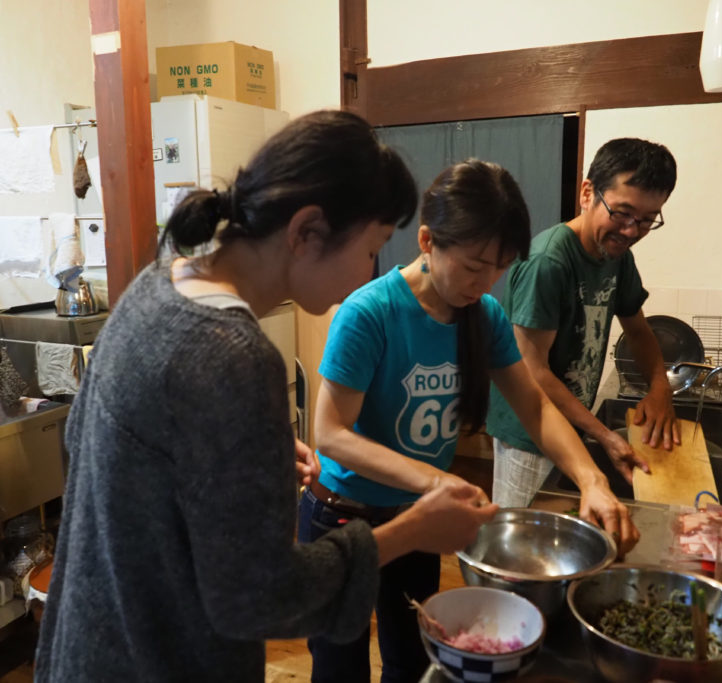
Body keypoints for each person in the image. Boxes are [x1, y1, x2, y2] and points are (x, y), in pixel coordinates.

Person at [34, 111, 500, 682]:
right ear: (307, 231)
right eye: (371, 248)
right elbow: (258, 597)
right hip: (159, 660)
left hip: (88, 645)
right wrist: (414, 531)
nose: (369, 272)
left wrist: (249, 455)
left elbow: (103, 447)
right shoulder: (235, 355)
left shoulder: (157, 284)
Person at [301, 159, 639, 683]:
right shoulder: (368, 313)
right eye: (474, 264)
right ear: (428, 240)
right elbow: (331, 434)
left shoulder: (483, 316)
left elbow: (536, 406)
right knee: (339, 665)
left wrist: (591, 480)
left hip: (418, 514)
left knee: (411, 658)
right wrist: (439, 480)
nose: (485, 283)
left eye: (499, 267)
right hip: (343, 516)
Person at [486, 137, 679, 509]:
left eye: (646, 220)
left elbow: (638, 329)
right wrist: (605, 436)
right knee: (521, 547)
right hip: (528, 430)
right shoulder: (549, 261)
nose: (630, 231)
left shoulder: (616, 255)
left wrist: (659, 389)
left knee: (555, 540)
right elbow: (533, 371)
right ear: (587, 193)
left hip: (568, 421)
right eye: (622, 213)